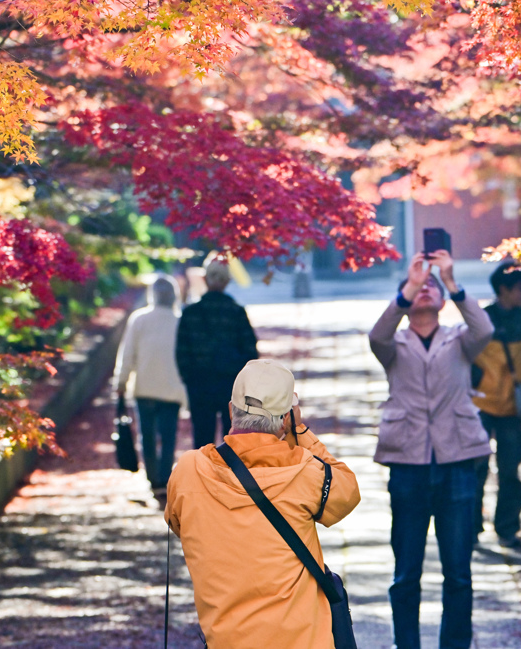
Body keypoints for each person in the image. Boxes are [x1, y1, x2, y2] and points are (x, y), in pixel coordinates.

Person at [165, 359, 360, 648]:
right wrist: (301, 431)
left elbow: (179, 524)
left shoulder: (189, 472)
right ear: (285, 420)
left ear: (231, 411)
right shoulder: (304, 473)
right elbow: (347, 492)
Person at [369, 250, 494, 649]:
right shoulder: (394, 343)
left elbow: (485, 328)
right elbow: (377, 335)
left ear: (442, 301)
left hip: (457, 461)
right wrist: (408, 286)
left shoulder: (460, 340)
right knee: (406, 571)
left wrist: (452, 281)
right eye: (416, 290)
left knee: (458, 570)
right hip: (407, 463)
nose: (425, 291)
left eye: (430, 288)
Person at [471, 263, 521, 549]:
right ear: (504, 289)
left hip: (511, 408)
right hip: (479, 405)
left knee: (510, 469)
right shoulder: (482, 319)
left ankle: (506, 528)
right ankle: (471, 529)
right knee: (475, 469)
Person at [113, 276, 186, 493]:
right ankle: (165, 476)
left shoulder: (139, 319)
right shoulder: (180, 320)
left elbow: (127, 355)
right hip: (171, 389)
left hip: (144, 387)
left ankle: (152, 477)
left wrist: (121, 382)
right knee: (168, 435)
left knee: (147, 435)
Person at [176, 256, 259, 448]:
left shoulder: (191, 313)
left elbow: (182, 352)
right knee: (234, 440)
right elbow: (250, 352)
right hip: (231, 385)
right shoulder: (236, 312)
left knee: (202, 440)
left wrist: (189, 379)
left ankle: (205, 477)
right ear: (227, 281)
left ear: (204, 279)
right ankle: (231, 477)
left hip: (199, 384)